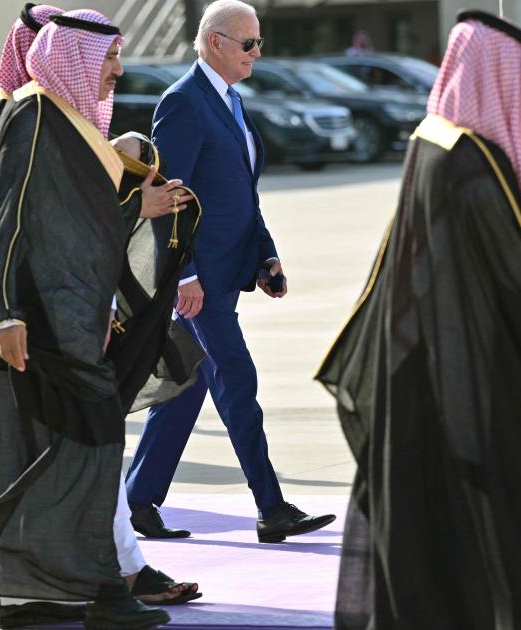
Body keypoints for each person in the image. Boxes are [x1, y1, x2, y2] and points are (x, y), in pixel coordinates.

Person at [316, 10, 521, 629]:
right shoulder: (470, 159)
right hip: (457, 377)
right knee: (491, 517)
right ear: (499, 73)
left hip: (423, 363)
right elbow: (519, 268)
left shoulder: (432, 138)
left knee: (434, 527)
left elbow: (485, 250)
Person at [0, 5, 202, 613]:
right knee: (67, 442)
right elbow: (8, 223)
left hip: (56, 314)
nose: (117, 70)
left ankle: (38, 590)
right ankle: (95, 584)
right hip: (24, 317)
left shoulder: (55, 120)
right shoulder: (24, 114)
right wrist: (5, 312)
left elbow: (64, 220)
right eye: (106, 57)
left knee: (38, 450)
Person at [125, 0, 336, 543]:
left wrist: (265, 255)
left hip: (226, 271)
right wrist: (185, 275)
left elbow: (241, 193)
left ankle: (137, 502)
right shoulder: (184, 104)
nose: (257, 53)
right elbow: (172, 200)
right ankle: (271, 507)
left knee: (187, 384)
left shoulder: (232, 100)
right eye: (249, 44)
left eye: (259, 42)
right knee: (237, 378)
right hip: (197, 283)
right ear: (215, 41)